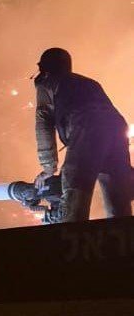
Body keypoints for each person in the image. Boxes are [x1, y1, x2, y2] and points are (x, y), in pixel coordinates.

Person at [33, 47, 132, 223]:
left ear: (45, 68)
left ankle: (73, 241)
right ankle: (124, 244)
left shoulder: (47, 83)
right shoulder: (89, 82)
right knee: (118, 192)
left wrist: (48, 167)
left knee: (75, 185)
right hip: (117, 128)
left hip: (87, 127)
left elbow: (44, 123)